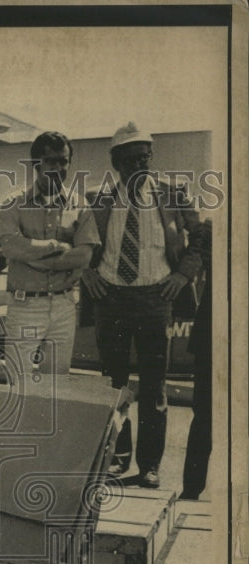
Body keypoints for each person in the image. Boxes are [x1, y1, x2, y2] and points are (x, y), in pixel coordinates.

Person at [82, 122, 202, 487]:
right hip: (111, 300)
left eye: (146, 158)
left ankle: (149, 465)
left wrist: (183, 274)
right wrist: (87, 271)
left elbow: (201, 237)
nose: (141, 166)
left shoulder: (172, 194)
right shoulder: (98, 199)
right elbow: (77, 241)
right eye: (132, 160)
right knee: (112, 385)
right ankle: (116, 460)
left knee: (154, 387)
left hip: (155, 299)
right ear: (116, 163)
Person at [0, 131, 99, 378]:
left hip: (63, 305)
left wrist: (30, 257)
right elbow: (10, 247)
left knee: (56, 384)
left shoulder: (79, 205)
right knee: (19, 383)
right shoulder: (14, 203)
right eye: (51, 161)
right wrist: (56, 246)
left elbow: (84, 256)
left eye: (64, 161)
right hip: (25, 305)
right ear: (35, 164)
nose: (58, 167)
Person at [181, 219, 212, 499]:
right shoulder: (214, 227)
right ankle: (191, 489)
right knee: (205, 414)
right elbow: (193, 254)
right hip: (213, 334)